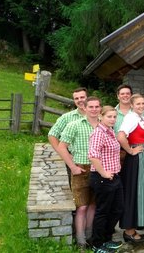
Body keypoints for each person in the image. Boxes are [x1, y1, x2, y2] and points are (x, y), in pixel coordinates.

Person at [55, 96, 100, 248]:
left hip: (98, 170)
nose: (94, 109)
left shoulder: (104, 125)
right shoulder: (74, 125)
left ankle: (90, 237)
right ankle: (81, 241)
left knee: (93, 205)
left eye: (97, 107)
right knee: (82, 206)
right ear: (85, 108)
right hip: (82, 168)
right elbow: (61, 146)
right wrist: (73, 167)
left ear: (100, 108)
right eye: (91, 107)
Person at [117, 94, 144, 243]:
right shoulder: (131, 118)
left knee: (141, 191)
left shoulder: (142, 118)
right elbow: (121, 136)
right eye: (138, 104)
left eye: (143, 103)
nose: (141, 106)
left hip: (143, 156)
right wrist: (131, 150)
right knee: (133, 192)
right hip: (136, 159)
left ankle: (133, 228)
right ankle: (129, 231)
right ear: (132, 105)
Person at [88, 106, 124, 253]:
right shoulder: (98, 133)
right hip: (102, 178)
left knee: (117, 209)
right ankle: (97, 244)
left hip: (114, 176)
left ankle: (107, 239)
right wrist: (102, 172)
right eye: (109, 116)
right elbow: (92, 155)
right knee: (103, 211)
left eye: (114, 117)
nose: (113, 119)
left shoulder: (110, 132)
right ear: (101, 117)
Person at [48, 87, 87, 185]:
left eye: (82, 97)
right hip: (76, 159)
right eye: (76, 98)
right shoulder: (67, 117)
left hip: (97, 160)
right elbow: (52, 134)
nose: (80, 100)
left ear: (88, 98)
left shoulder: (99, 115)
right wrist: (63, 154)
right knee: (78, 191)